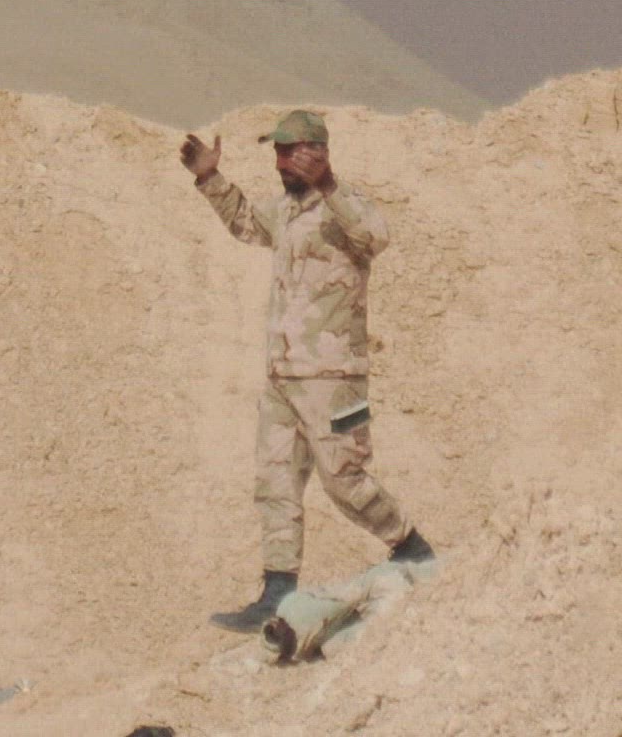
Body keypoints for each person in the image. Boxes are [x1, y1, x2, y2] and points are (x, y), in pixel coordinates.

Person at [179, 109, 433, 633]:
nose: (281, 163)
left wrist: (330, 185)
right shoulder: (286, 211)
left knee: (345, 481)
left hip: (335, 379)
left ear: (319, 152)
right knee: (274, 482)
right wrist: (210, 179)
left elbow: (376, 237)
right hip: (283, 376)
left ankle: (411, 547)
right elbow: (247, 223)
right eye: (277, 153)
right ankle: (277, 592)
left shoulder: (347, 205)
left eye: (291, 152)